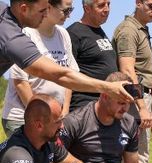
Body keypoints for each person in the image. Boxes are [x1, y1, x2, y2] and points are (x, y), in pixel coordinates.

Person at [0, 0, 131, 104]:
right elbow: (60, 75)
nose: (46, 14)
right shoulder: (13, 39)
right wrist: (108, 87)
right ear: (23, 9)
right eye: (42, 10)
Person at [2, 0, 77, 137]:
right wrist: (39, 117)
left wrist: (63, 112)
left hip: (52, 119)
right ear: (49, 7)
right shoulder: (23, 34)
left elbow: (69, 75)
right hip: (24, 117)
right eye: (65, 11)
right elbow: (20, 82)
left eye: (71, 10)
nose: (69, 15)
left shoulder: (63, 34)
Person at [112, 0, 152, 163]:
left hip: (141, 97)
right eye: (151, 6)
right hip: (134, 100)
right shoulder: (129, 30)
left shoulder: (141, 29)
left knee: (140, 159)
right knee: (137, 162)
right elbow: (127, 70)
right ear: (138, 3)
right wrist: (142, 106)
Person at [66, 0, 118, 112]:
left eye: (108, 4)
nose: (107, 9)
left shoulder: (100, 32)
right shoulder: (73, 33)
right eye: (101, 5)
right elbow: (67, 74)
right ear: (87, 8)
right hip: (84, 107)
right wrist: (65, 110)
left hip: (104, 106)